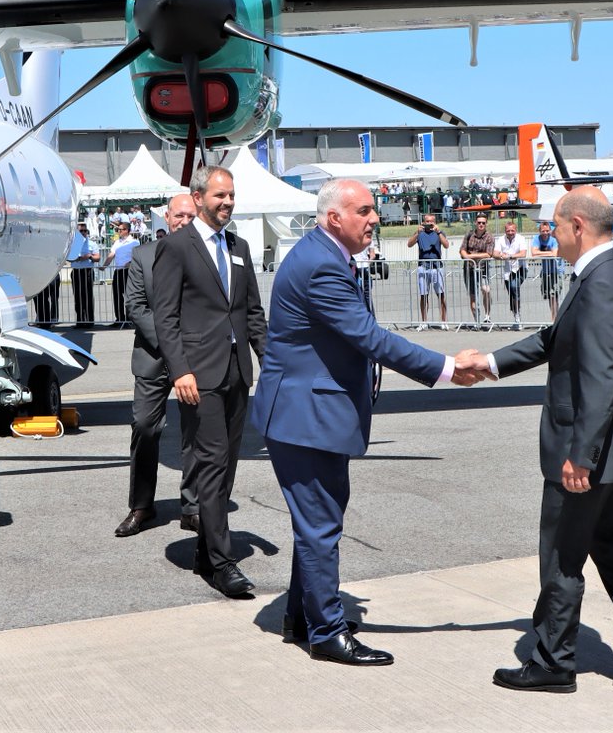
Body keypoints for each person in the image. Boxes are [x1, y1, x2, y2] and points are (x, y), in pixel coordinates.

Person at [459, 187, 613, 695]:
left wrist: (580, 455)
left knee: (562, 554)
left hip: (589, 452)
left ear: (578, 226)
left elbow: (601, 376)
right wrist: (489, 363)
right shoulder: (608, 276)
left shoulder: (601, 284)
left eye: (555, 227)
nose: (552, 236)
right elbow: (555, 340)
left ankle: (552, 660)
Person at [250, 179, 484, 666]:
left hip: (306, 414)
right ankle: (327, 633)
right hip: (304, 417)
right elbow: (368, 336)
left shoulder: (323, 254)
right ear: (335, 217)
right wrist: (446, 368)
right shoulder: (320, 266)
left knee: (317, 521)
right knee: (319, 525)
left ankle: (305, 617)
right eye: (364, 210)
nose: (374, 218)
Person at [153, 166, 268, 598]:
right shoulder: (177, 248)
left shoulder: (238, 246)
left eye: (232, 195)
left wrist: (268, 360)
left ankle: (206, 550)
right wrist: (179, 369)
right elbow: (165, 316)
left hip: (237, 371)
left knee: (227, 464)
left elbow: (252, 312)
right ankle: (222, 563)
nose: (228, 202)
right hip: (198, 375)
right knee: (213, 463)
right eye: (220, 195)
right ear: (198, 197)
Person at [115, 193, 201, 538]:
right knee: (145, 427)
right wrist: (172, 348)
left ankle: (193, 507)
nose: (183, 221)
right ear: (167, 217)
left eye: (190, 215)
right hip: (154, 357)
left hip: (196, 360)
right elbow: (135, 306)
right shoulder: (143, 255)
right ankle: (141, 505)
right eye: (178, 215)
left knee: (194, 433)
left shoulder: (206, 256)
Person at [407, 213, 448, 330]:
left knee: (441, 295)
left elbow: (446, 245)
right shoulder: (420, 233)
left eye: (431, 222)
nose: (429, 224)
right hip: (423, 267)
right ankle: (424, 321)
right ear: (423, 222)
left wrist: (439, 232)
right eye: (427, 221)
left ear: (435, 222)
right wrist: (417, 233)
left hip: (436, 267)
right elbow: (409, 244)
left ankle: (444, 321)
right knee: (423, 295)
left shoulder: (439, 232)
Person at [460, 215, 495, 327]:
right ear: (475, 223)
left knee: (486, 290)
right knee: (473, 295)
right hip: (469, 268)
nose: (481, 225)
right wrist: (467, 256)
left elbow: (488, 254)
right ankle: (477, 320)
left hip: (483, 268)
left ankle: (487, 315)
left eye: (483, 223)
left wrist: (472, 255)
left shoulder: (489, 237)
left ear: (486, 224)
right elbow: (462, 251)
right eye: (479, 222)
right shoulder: (469, 235)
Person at [493, 219, 528, 328]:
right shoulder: (500, 240)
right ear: (505, 231)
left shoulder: (521, 239)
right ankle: (516, 316)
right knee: (511, 294)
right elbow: (495, 254)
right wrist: (501, 255)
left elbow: (523, 253)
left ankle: (518, 318)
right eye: (508, 231)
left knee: (514, 287)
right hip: (508, 271)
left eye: (512, 230)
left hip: (520, 268)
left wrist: (510, 256)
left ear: (515, 230)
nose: (510, 233)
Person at [105, 220, 139, 325]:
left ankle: (130, 319)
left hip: (129, 271)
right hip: (118, 271)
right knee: (117, 295)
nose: (118, 231)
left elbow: (138, 256)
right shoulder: (117, 242)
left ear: (127, 230)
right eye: (118, 229)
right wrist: (104, 266)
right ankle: (119, 318)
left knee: (130, 296)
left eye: (120, 229)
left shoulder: (134, 242)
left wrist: (130, 262)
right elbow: (111, 254)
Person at [66, 221, 100, 327]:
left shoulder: (92, 244)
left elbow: (97, 257)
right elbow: (70, 259)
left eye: (86, 231)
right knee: (78, 296)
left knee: (88, 296)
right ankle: (80, 320)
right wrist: (81, 258)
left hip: (87, 271)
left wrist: (90, 257)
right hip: (76, 271)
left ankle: (90, 321)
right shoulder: (73, 244)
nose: (84, 232)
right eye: (81, 231)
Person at [531, 220, 562, 321]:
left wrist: (540, 253)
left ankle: (555, 318)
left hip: (555, 270)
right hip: (545, 271)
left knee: (554, 295)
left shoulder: (553, 239)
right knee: (549, 295)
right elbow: (533, 253)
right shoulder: (536, 239)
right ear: (539, 231)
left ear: (550, 230)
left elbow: (554, 254)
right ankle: (554, 317)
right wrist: (548, 253)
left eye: (547, 231)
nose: (545, 233)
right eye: (543, 231)